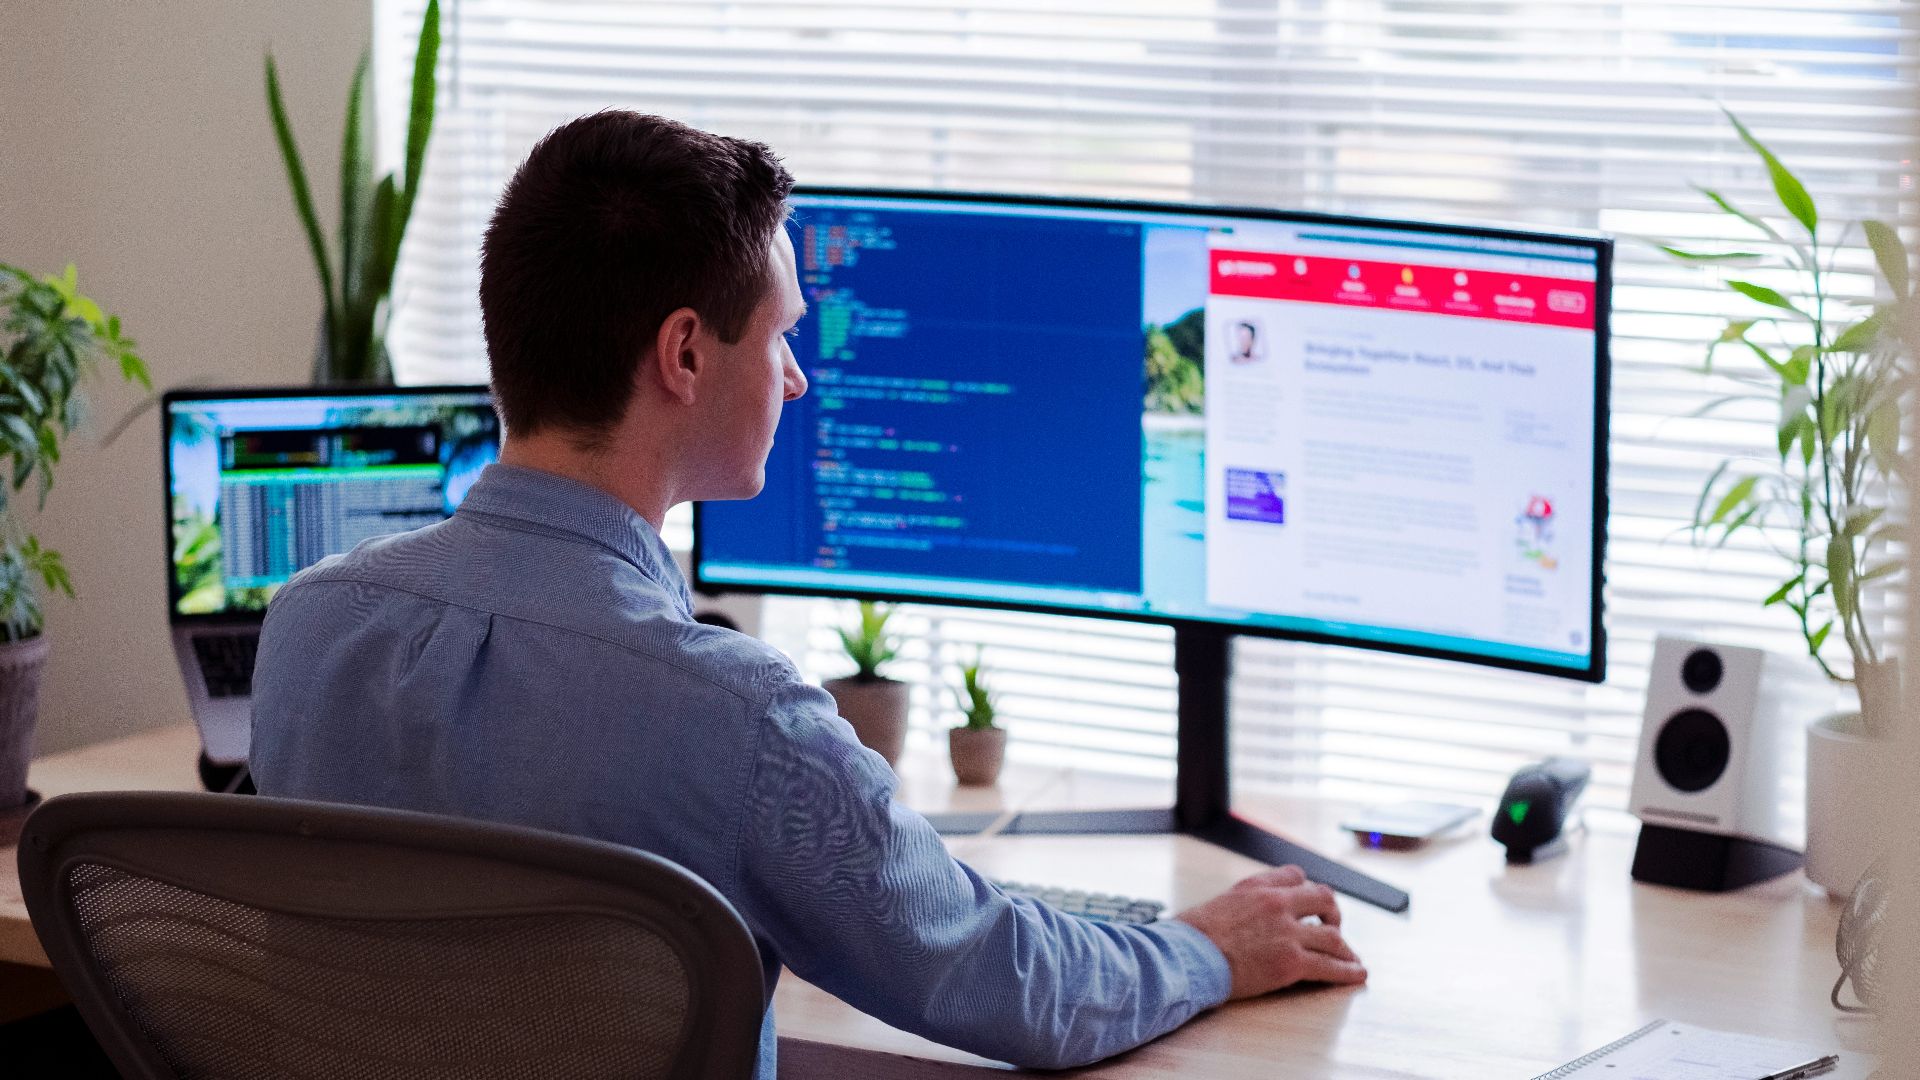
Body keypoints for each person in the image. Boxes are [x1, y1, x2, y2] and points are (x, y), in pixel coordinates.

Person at [250, 110, 1365, 1077]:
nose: (798, 374)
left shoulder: (308, 627)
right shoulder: (733, 717)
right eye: (782, 330)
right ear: (684, 355)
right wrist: (1210, 950)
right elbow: (1004, 979)